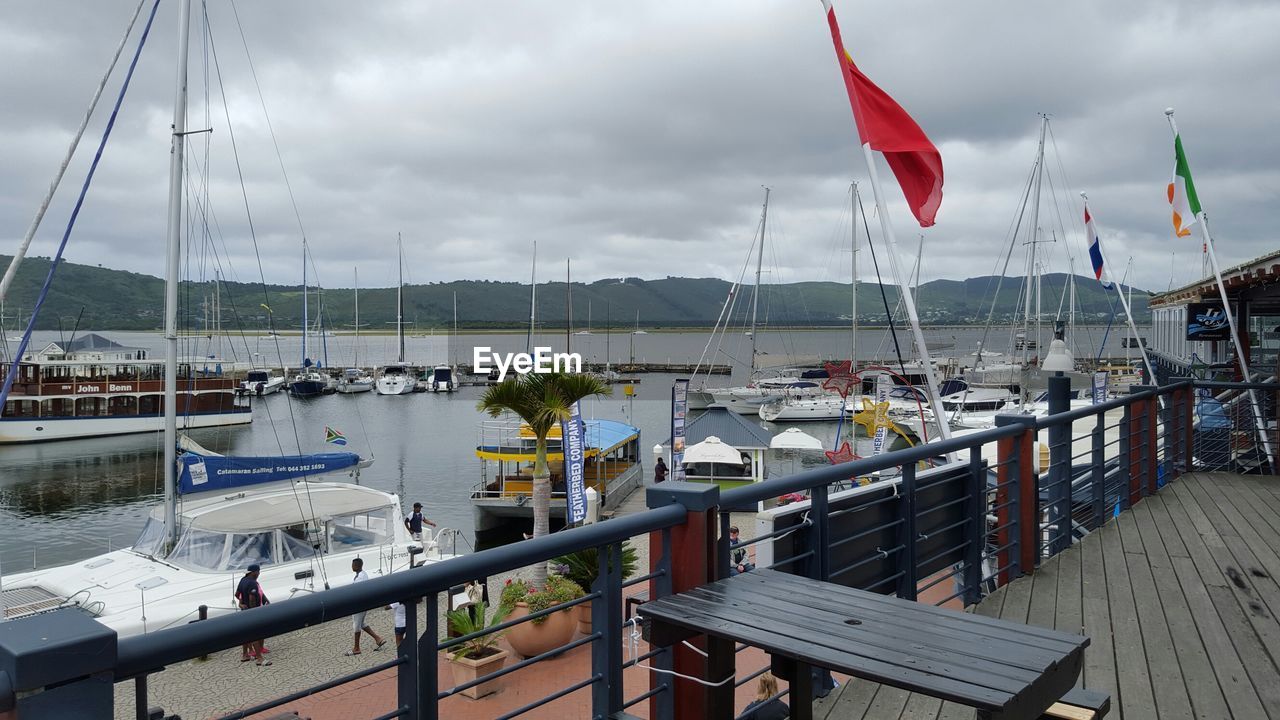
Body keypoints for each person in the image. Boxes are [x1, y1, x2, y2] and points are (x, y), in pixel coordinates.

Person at [346, 558, 387, 655]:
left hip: (358, 604)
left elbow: (355, 591)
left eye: (353, 565)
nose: (352, 567)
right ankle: (378, 638)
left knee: (356, 626)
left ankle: (356, 648)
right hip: (363, 603)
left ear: (356, 566)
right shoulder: (363, 574)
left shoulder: (360, 577)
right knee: (361, 623)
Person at [234, 564, 271, 666]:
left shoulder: (243, 580)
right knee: (255, 634)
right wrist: (254, 613)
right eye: (258, 572)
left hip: (244, 612)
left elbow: (237, 594)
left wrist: (241, 604)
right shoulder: (252, 584)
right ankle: (259, 658)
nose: (259, 574)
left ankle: (245, 655)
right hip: (253, 612)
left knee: (246, 634)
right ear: (254, 572)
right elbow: (252, 599)